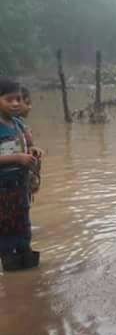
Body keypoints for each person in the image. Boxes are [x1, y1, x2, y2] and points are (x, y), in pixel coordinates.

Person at [0, 78, 41, 271]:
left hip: (20, 188)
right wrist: (17, 158)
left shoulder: (18, 124)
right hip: (3, 191)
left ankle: (27, 273)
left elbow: (27, 146)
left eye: (18, 99)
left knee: (24, 226)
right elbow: (16, 155)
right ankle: (11, 270)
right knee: (6, 231)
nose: (16, 103)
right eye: (9, 99)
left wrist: (33, 150)